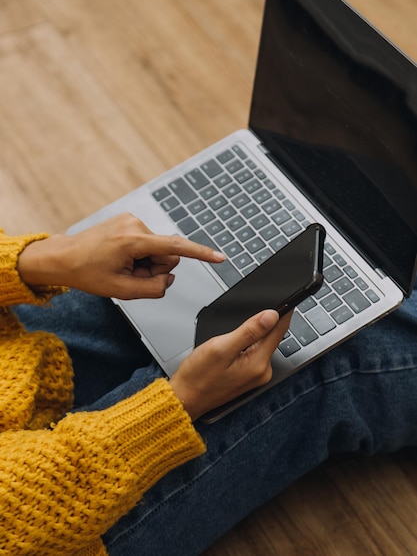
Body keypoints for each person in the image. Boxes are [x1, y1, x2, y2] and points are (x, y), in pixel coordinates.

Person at [1, 212, 417, 555]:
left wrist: (33, 261)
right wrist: (180, 405)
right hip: (34, 511)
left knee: (168, 273)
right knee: (323, 348)